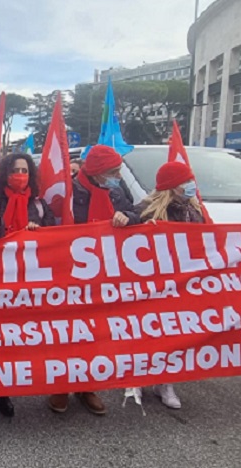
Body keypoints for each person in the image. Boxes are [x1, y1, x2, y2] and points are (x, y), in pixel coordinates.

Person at [48, 144, 139, 416]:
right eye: (113, 172)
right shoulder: (68, 191)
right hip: (69, 273)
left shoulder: (116, 191)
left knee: (95, 332)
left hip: (104, 274)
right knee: (67, 332)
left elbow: (136, 213)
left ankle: (87, 387)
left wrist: (128, 218)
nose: (118, 177)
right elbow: (53, 226)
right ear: (98, 172)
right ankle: (61, 386)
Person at [0, 153, 56, 418]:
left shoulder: (39, 205)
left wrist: (38, 229)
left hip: (28, 280)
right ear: (5, 173)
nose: (20, 174)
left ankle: (9, 384)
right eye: (14, 169)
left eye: (24, 170)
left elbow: (54, 232)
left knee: (16, 338)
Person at [134, 161, 205, 409]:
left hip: (184, 283)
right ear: (173, 186)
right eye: (186, 181)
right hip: (155, 283)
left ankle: (165, 383)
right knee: (149, 332)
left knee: (173, 335)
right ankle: (138, 380)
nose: (190, 186)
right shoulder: (147, 210)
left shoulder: (195, 210)